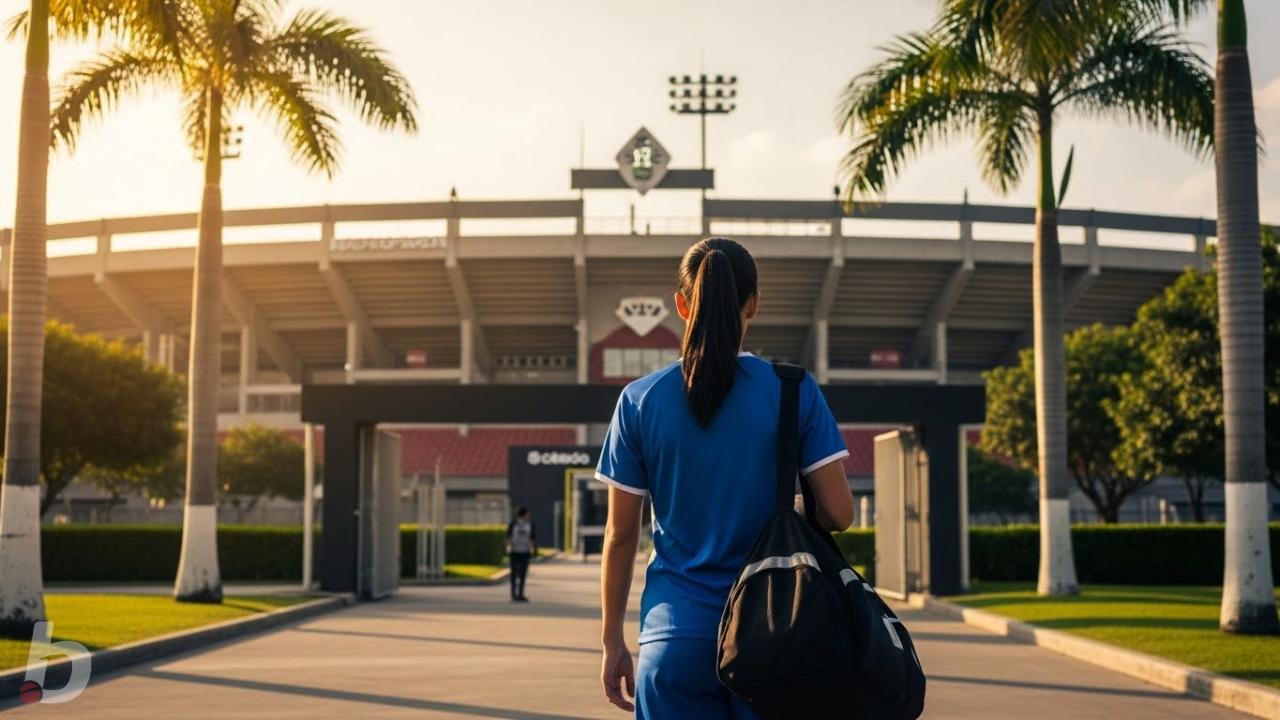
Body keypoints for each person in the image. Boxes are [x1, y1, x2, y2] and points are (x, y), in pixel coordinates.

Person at [597, 238, 855, 718]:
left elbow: (620, 536)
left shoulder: (639, 400)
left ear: (681, 304)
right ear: (753, 304)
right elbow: (839, 513)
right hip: (775, 633)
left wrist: (612, 639)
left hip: (673, 640)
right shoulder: (793, 390)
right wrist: (788, 508)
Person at [506, 506, 537, 602]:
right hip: (514, 552)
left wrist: (533, 550)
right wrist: (507, 548)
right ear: (523, 514)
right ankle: (513, 594)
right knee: (514, 574)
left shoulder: (530, 525)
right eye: (527, 514)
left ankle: (521, 594)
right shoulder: (513, 524)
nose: (529, 516)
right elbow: (508, 537)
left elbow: (532, 538)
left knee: (523, 574)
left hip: (525, 552)